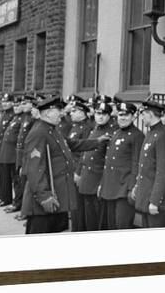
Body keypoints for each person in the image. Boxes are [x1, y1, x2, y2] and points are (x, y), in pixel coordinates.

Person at [21, 96, 76, 234]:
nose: (63, 113)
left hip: (57, 197)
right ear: (47, 113)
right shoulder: (39, 132)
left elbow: (70, 145)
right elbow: (34, 169)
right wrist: (44, 196)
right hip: (45, 202)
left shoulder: (52, 129)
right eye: (59, 110)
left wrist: (97, 142)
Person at [98, 102, 144, 229]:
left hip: (124, 190)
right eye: (120, 115)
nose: (122, 118)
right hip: (110, 188)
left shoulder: (137, 136)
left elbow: (137, 164)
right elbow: (108, 163)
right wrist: (102, 184)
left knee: (121, 226)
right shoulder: (116, 133)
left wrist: (132, 188)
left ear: (133, 117)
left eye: (126, 115)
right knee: (110, 226)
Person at [132, 101, 165, 228]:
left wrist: (155, 200)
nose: (142, 118)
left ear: (150, 114)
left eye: (144, 114)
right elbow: (145, 166)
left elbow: (163, 171)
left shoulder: (162, 136)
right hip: (146, 193)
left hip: (155, 199)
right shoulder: (151, 133)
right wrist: (137, 186)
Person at [75, 102, 118, 231]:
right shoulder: (94, 129)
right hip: (86, 176)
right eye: (98, 113)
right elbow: (85, 153)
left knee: (96, 216)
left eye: (104, 114)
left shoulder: (111, 133)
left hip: (98, 177)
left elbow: (109, 161)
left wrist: (102, 183)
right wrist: (78, 171)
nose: (100, 117)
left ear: (109, 116)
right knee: (86, 214)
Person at [65, 99, 94, 231]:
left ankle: (79, 229)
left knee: (79, 202)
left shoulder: (87, 128)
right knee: (73, 201)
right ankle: (75, 227)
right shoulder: (75, 126)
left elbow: (85, 151)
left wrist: (79, 171)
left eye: (74, 111)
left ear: (83, 113)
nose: (71, 113)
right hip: (71, 165)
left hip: (79, 167)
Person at [7, 93, 36, 214]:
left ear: (32, 104)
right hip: (19, 153)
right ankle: (18, 204)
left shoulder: (33, 118)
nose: (22, 105)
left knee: (24, 182)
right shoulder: (25, 116)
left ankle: (25, 209)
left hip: (26, 153)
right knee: (18, 180)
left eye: (25, 103)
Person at [0, 96, 23, 207]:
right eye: (3, 101)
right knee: (4, 177)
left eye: (7, 101)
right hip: (4, 151)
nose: (4, 103)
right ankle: (5, 198)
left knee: (15, 178)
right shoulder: (5, 115)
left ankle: (16, 201)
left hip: (13, 152)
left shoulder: (16, 116)